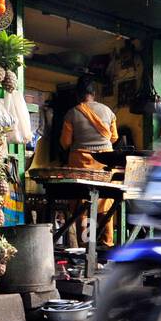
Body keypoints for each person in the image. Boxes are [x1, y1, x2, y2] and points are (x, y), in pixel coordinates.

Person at [59, 78, 118, 246]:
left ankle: (86, 246)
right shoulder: (108, 111)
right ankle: (107, 244)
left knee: (82, 205)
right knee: (105, 202)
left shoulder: (72, 113)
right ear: (94, 94)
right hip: (105, 164)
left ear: (78, 95)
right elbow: (114, 137)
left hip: (81, 165)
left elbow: (66, 142)